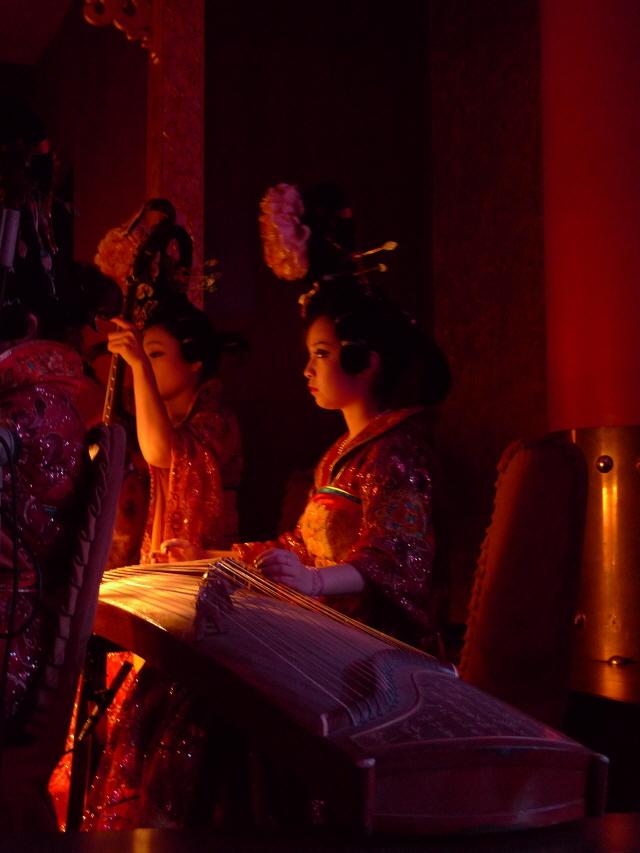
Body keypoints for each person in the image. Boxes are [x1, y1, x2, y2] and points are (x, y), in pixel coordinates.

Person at [233, 276, 450, 651]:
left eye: (321, 354)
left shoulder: (397, 452)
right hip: (329, 627)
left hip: (377, 645)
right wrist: (209, 557)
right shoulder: (338, 455)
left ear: (364, 362)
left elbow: (394, 560)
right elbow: (300, 547)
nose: (307, 370)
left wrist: (314, 581)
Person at [106, 294, 242, 560]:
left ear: (194, 361)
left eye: (155, 354)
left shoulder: (217, 423)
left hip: (200, 565)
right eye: (144, 355)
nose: (147, 363)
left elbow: (162, 451)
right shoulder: (153, 421)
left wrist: (139, 365)